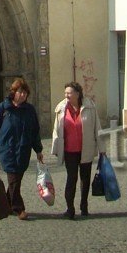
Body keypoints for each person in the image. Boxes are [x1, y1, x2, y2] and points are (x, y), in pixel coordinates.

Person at [0, 77, 44, 220]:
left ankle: (6, 205)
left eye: (25, 93)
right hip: (7, 151)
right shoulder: (1, 109)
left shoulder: (29, 110)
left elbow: (34, 131)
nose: (23, 95)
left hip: (23, 151)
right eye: (20, 92)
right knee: (13, 179)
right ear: (13, 92)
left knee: (16, 180)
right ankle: (18, 208)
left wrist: (38, 149)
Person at [51, 81, 103, 219]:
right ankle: (70, 209)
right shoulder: (61, 108)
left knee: (85, 179)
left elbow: (97, 129)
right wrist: (56, 148)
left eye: (69, 93)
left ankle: (84, 205)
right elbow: (56, 130)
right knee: (71, 179)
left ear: (77, 94)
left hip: (86, 148)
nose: (66, 95)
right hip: (69, 151)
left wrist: (102, 149)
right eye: (65, 93)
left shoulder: (89, 107)